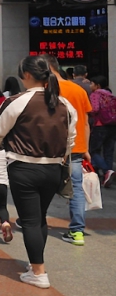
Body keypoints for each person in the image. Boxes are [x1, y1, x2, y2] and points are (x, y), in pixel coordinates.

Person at [0, 56, 76, 289]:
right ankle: (35, 266)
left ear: (26, 75)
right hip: (53, 168)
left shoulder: (17, 101)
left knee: (31, 221)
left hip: (23, 168)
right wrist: (62, 158)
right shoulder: (64, 103)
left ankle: (39, 272)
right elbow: (70, 138)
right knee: (39, 217)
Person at [42, 55, 91, 247]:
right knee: (76, 189)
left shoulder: (47, 90)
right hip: (76, 147)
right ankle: (77, 231)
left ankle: (34, 221)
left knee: (42, 186)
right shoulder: (78, 90)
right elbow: (85, 123)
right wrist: (86, 147)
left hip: (51, 148)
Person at [87, 75, 115, 186]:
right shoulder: (111, 95)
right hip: (112, 126)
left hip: (100, 125)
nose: (90, 86)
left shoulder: (96, 94)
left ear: (97, 85)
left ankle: (106, 171)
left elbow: (94, 109)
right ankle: (107, 177)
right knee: (108, 152)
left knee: (94, 151)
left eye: (92, 84)